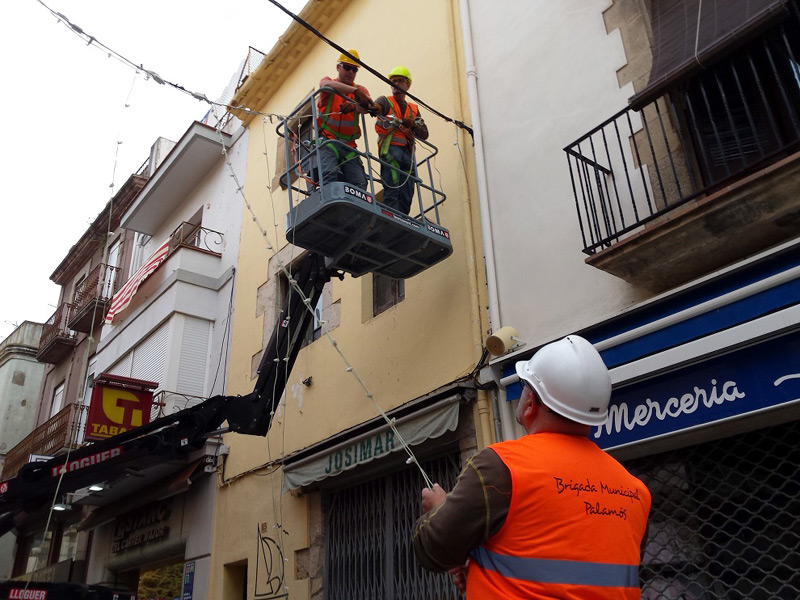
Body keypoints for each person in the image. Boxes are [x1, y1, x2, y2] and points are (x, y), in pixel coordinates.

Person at [413, 335, 651, 598]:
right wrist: (490, 567)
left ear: (530, 404)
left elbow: (433, 549)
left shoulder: (500, 466)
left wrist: (438, 508)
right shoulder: (636, 491)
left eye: (525, 386)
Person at [372, 66, 428, 215]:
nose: (395, 84)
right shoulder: (386, 101)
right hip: (391, 151)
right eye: (393, 82)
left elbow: (425, 133)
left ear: (407, 84)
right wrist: (373, 108)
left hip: (408, 155)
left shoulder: (413, 109)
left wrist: (413, 124)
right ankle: (392, 218)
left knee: (407, 192)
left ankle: (403, 218)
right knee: (392, 188)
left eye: (400, 81)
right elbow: (376, 107)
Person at [315, 49, 374, 189]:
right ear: (338, 67)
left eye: (355, 69)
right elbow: (325, 85)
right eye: (347, 67)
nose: (351, 72)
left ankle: (356, 211)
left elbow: (369, 105)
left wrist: (354, 107)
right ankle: (333, 208)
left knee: (360, 183)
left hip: (349, 145)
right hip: (328, 139)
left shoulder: (361, 89)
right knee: (329, 174)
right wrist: (353, 91)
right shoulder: (329, 82)